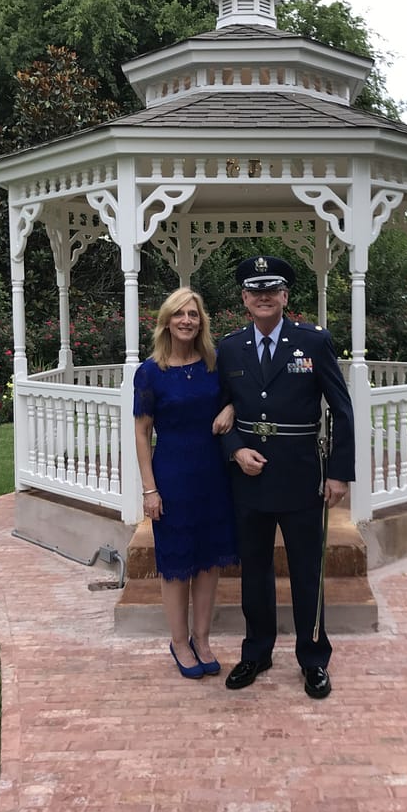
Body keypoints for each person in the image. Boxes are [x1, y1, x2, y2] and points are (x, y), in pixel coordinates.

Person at [218, 255, 355, 698]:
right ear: (244, 299)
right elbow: (218, 409)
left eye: (271, 290)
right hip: (249, 477)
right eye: (255, 291)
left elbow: (341, 409)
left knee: (306, 571)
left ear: (284, 296)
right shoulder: (230, 347)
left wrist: (338, 473)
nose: (263, 297)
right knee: (254, 571)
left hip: (300, 475)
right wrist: (235, 449)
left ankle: (313, 658)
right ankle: (256, 652)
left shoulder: (313, 341)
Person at [133, 288, 239, 680]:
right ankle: (179, 642)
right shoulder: (150, 372)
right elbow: (142, 432)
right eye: (179, 314)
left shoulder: (214, 364)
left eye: (193, 314)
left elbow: (239, 396)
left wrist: (230, 408)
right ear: (166, 321)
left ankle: (202, 638)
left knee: (209, 561)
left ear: (201, 322)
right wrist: (150, 489)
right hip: (172, 476)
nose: (187, 321)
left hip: (214, 474)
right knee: (177, 564)